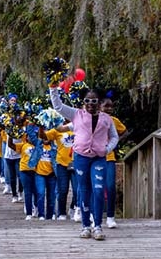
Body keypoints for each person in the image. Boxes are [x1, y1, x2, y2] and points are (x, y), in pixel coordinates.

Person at [50, 85, 118, 240]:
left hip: (99, 157)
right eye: (87, 100)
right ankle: (86, 225)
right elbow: (58, 106)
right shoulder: (76, 114)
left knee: (99, 189)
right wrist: (53, 87)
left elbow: (114, 136)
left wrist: (107, 149)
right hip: (80, 157)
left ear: (99, 102)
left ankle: (98, 226)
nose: (90, 103)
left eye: (94, 101)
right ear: (83, 101)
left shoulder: (107, 119)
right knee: (83, 189)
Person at [101, 95, 128, 229]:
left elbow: (124, 132)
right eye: (106, 106)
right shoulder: (94, 119)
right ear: (100, 106)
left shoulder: (114, 121)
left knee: (110, 186)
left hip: (109, 157)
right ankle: (95, 215)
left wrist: (115, 141)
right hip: (94, 157)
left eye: (111, 106)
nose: (109, 109)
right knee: (96, 187)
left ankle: (110, 216)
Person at [44, 122, 76, 220]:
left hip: (76, 162)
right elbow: (44, 137)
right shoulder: (58, 128)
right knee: (62, 189)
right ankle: (62, 213)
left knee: (77, 189)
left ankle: (73, 208)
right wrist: (40, 126)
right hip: (62, 163)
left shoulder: (79, 125)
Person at [8, 125, 39, 220]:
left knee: (36, 191)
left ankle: (37, 208)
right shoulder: (23, 145)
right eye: (29, 136)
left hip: (36, 171)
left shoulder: (38, 145)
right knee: (28, 191)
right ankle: (29, 213)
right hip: (24, 170)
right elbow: (11, 145)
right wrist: (10, 135)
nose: (30, 137)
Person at [32, 129, 58, 220]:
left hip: (52, 174)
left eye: (48, 136)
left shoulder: (55, 148)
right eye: (44, 136)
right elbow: (32, 134)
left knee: (52, 196)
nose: (46, 138)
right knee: (40, 193)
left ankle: (50, 215)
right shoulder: (38, 145)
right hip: (39, 174)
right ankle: (41, 214)